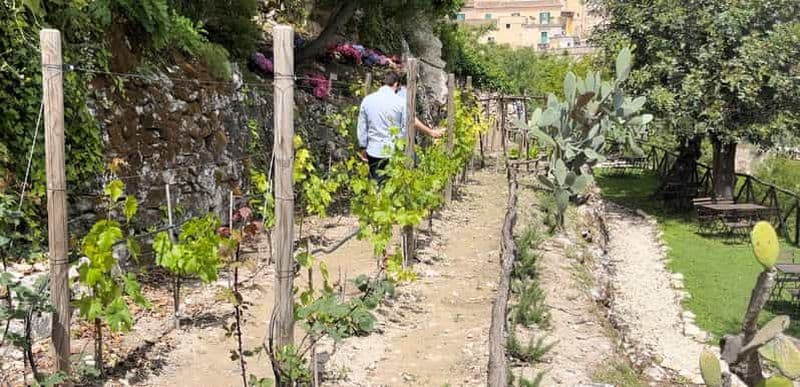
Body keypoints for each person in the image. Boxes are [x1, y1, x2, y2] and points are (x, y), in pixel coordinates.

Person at [356, 72, 442, 185]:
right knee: (391, 185)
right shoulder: (401, 102)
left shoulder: (367, 100)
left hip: (373, 150)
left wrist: (363, 147)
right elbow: (405, 127)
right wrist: (401, 146)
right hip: (393, 151)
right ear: (396, 84)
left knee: (375, 184)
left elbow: (362, 126)